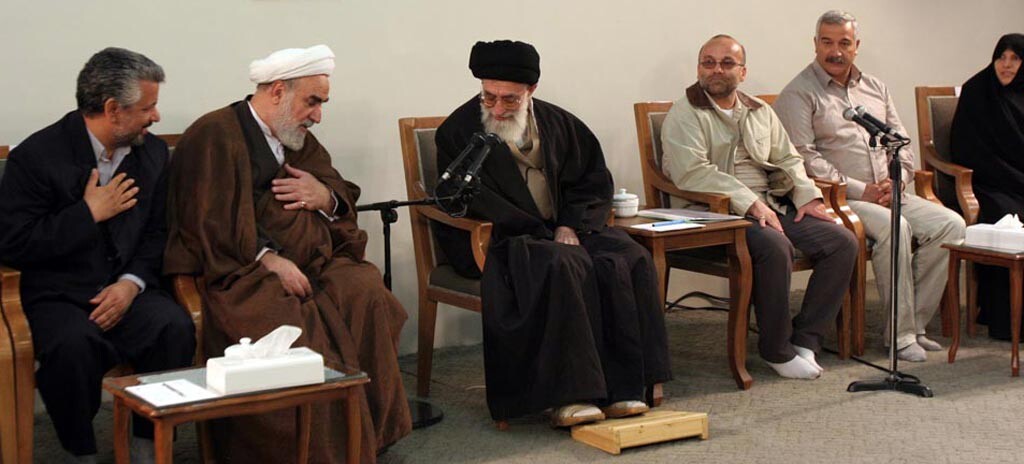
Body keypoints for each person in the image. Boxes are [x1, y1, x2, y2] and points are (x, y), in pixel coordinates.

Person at [163, 45, 410, 463]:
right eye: (312, 102)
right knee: (295, 325)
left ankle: (367, 437)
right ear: (277, 91)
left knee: (365, 290)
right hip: (240, 270)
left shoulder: (297, 138)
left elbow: (338, 190)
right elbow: (205, 221)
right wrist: (269, 259)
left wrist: (324, 196)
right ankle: (309, 453)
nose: (318, 115)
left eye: (322, 103)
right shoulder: (214, 134)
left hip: (316, 261)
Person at [433, 40, 671, 427]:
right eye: (489, 96)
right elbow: (462, 199)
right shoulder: (459, 132)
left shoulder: (560, 124)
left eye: (509, 99)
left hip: (565, 228)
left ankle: (625, 387)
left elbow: (591, 180)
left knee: (627, 256)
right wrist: (540, 232)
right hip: (506, 238)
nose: (497, 108)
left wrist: (569, 225)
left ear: (531, 90)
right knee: (561, 264)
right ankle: (569, 396)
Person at [0, 47, 195, 463]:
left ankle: (148, 446)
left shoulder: (151, 154)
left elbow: (159, 233)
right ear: (112, 110)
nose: (156, 116)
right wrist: (87, 213)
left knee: (174, 327)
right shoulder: (35, 157)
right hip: (60, 294)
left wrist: (131, 285)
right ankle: (80, 452)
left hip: (128, 288)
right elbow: (14, 243)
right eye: (148, 107)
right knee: (72, 347)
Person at [661, 35, 857, 379]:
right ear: (699, 68)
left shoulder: (759, 110)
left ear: (743, 71)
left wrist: (807, 196)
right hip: (715, 213)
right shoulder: (685, 112)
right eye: (708, 62)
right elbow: (692, 172)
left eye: (727, 63)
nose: (716, 70)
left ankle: (806, 338)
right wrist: (750, 203)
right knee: (774, 246)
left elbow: (788, 158)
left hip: (771, 202)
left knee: (841, 241)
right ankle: (776, 350)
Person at [774, 10, 966, 361]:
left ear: (856, 46)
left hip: (889, 191)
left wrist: (898, 181)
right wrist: (862, 189)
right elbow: (804, 159)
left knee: (950, 224)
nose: (835, 51)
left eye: (844, 43)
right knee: (896, 227)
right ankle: (900, 336)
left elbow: (901, 143)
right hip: (839, 199)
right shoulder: (798, 93)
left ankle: (914, 325)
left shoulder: (875, 88)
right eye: (827, 42)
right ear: (815, 44)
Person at [950, 33, 1024, 340]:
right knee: (1008, 216)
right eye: (1001, 58)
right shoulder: (976, 91)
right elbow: (966, 149)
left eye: (1015, 59)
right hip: (988, 182)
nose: (1006, 65)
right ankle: (1004, 318)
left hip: (1018, 182)